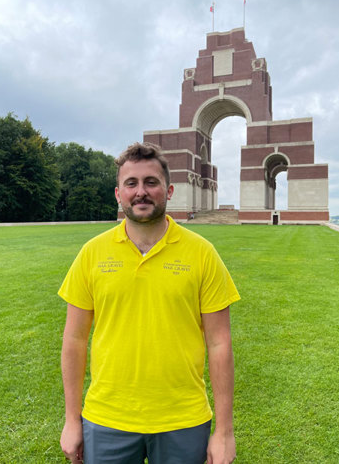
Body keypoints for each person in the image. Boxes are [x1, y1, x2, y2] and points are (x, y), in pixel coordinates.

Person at [59, 142, 240, 464]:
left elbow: (219, 342)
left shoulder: (202, 253)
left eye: (151, 182)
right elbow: (74, 339)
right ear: (118, 194)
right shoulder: (92, 253)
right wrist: (73, 419)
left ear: (169, 191)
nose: (141, 192)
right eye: (131, 183)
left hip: (183, 419)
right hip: (106, 418)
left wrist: (224, 432)